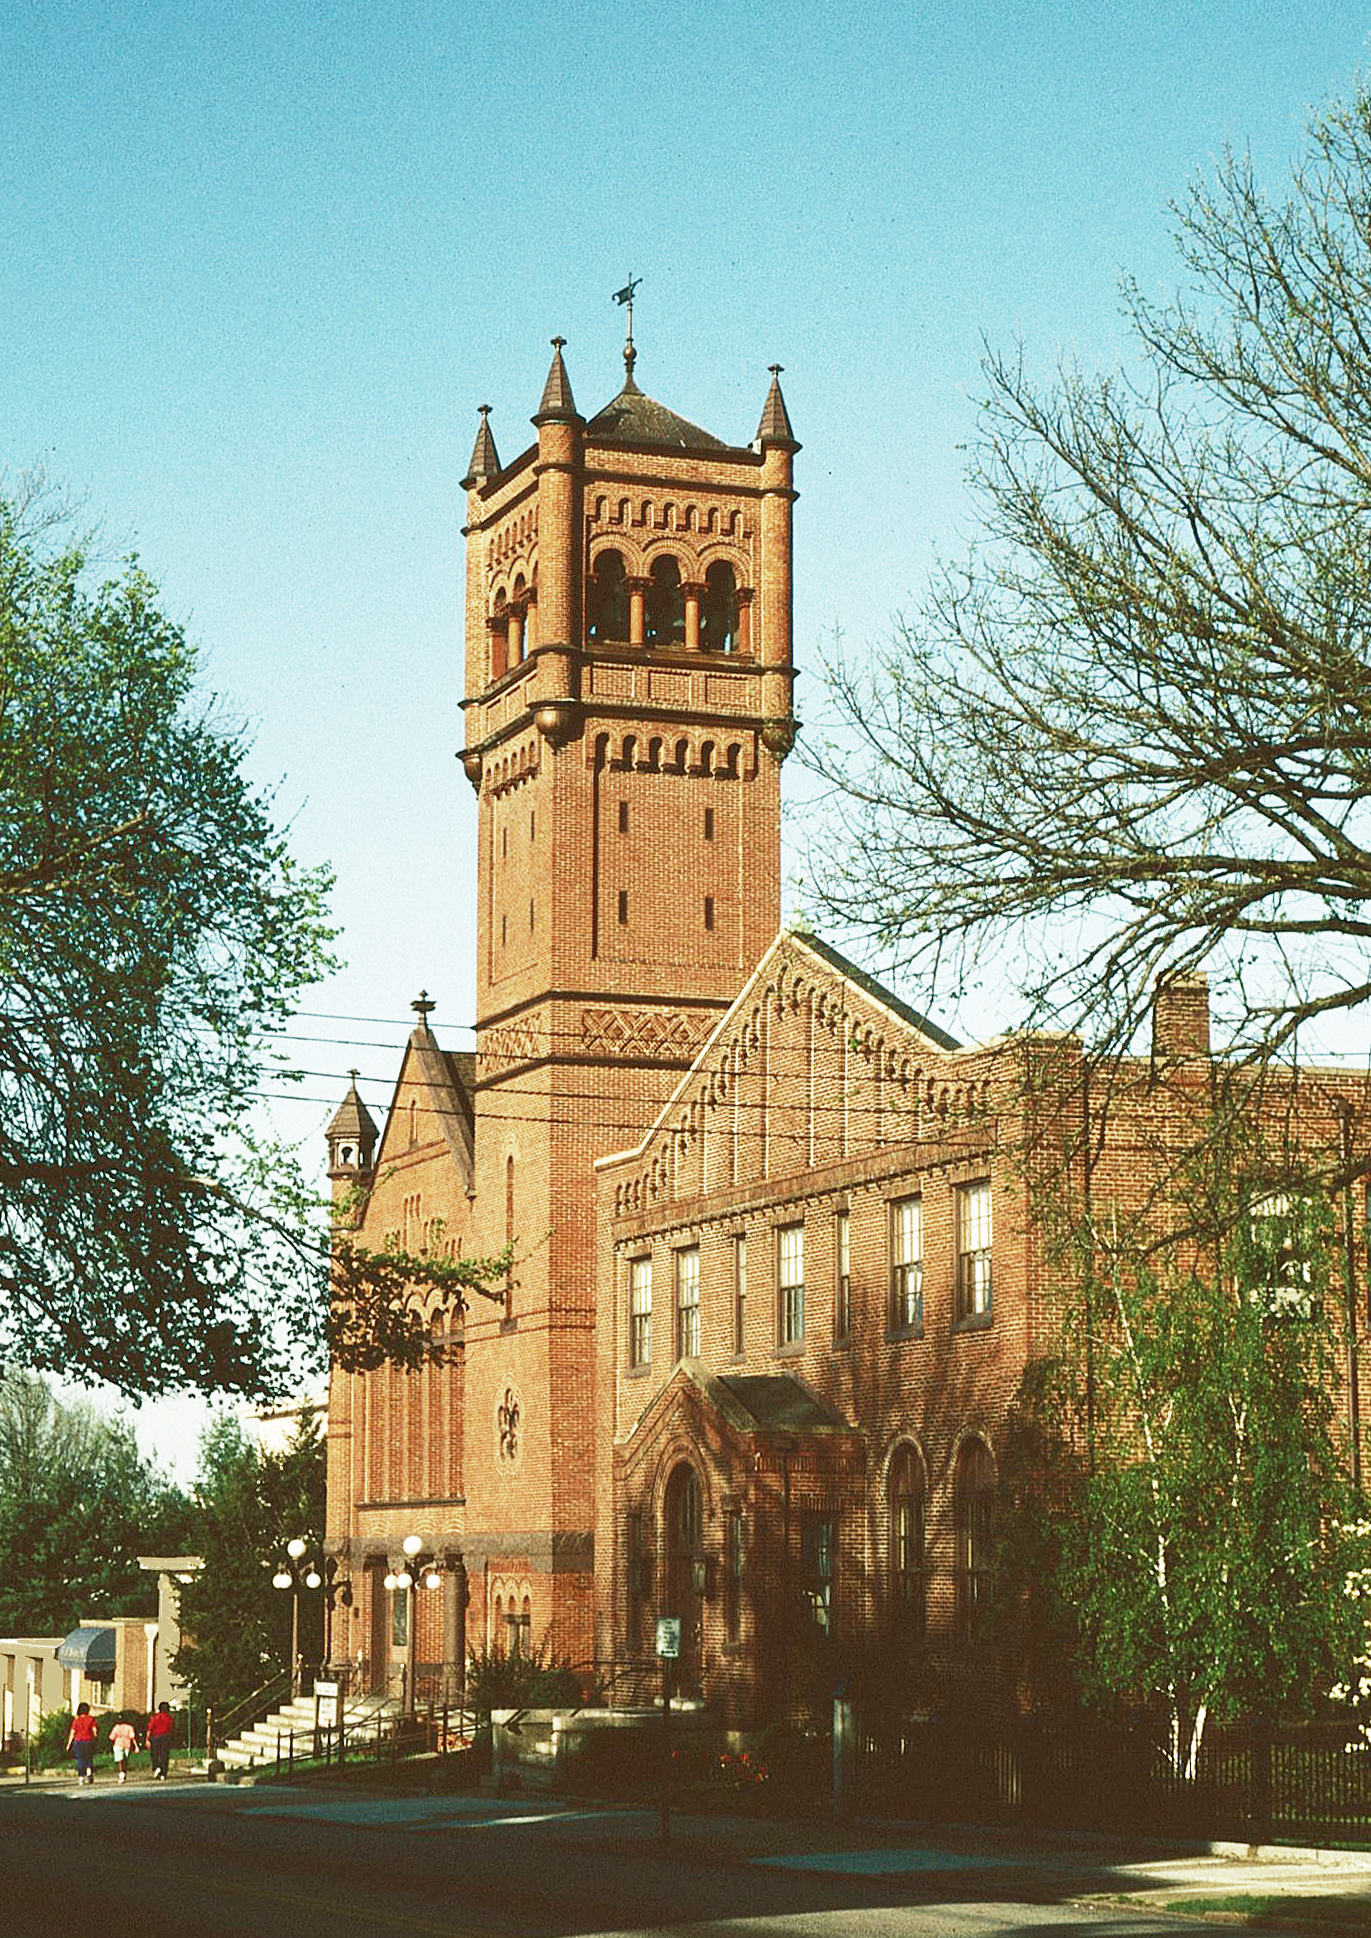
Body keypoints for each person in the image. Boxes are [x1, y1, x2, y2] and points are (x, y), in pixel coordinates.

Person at [67, 1702, 97, 1785]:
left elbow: (72, 1733)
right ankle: (89, 1772)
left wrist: (69, 1744)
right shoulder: (91, 1719)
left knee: (80, 1759)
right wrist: (94, 1738)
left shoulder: (76, 1720)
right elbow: (95, 1731)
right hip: (89, 1741)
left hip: (79, 1741)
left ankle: (81, 1777)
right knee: (89, 1758)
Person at [145, 1700, 174, 1780]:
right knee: (164, 1755)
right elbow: (171, 1729)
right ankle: (163, 1774)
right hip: (166, 1737)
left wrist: (147, 1739)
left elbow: (150, 1729)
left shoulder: (155, 1717)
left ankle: (157, 1766)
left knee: (155, 1754)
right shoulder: (169, 1718)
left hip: (156, 1737)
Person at [109, 1715, 138, 1783]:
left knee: (120, 1760)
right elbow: (132, 1737)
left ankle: (121, 1773)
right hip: (127, 1744)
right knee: (125, 1759)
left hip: (118, 1744)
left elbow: (111, 1737)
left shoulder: (116, 1727)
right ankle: (124, 1772)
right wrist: (136, 1746)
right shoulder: (129, 1727)